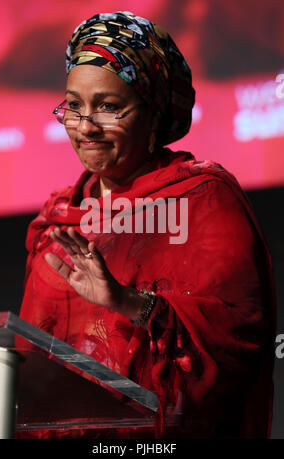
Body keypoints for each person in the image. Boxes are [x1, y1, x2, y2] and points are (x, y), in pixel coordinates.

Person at [18, 11, 276, 439]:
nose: (85, 127)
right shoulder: (57, 222)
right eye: (74, 106)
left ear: (154, 112)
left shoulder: (203, 201)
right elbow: (27, 369)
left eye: (108, 107)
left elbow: (239, 344)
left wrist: (129, 302)